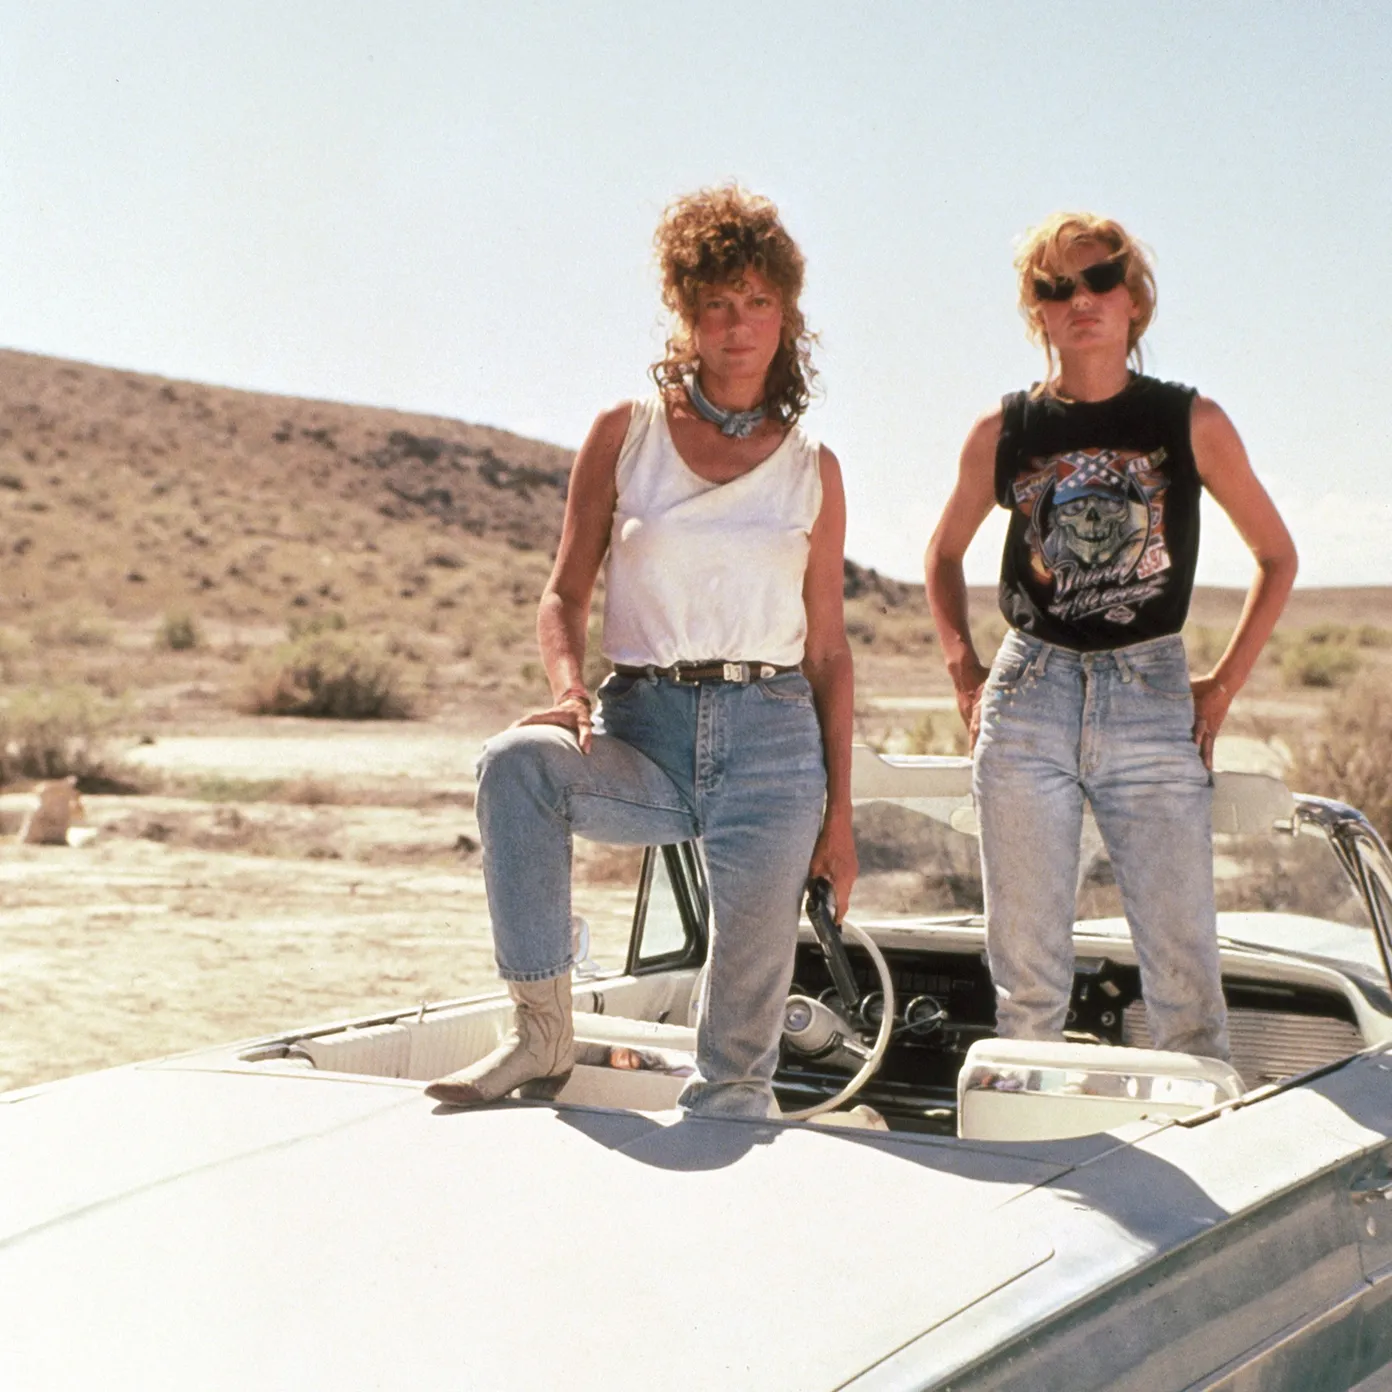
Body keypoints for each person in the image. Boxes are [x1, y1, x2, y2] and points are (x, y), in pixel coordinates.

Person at [426, 185, 857, 1117]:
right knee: (516, 765)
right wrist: (567, 688)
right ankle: (541, 1032)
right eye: (717, 303)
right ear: (686, 312)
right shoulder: (626, 434)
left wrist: (842, 817)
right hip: (644, 731)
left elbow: (828, 651)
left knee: (737, 1064)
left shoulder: (812, 469)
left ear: (786, 316)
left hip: (774, 745)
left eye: (758, 302)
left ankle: (729, 1127)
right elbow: (564, 592)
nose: (737, 325)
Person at [925, 213, 1297, 1060]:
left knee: (1185, 980)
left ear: (1134, 299)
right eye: (1056, 288)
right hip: (1029, 695)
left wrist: (1222, 687)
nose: (1080, 300)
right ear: (1037, 310)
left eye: (1099, 280)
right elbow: (943, 554)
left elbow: (1277, 557)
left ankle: (1204, 1143)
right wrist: (963, 672)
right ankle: (1030, 1134)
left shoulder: (1190, 421)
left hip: (1150, 695)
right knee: (1027, 987)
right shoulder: (1006, 430)